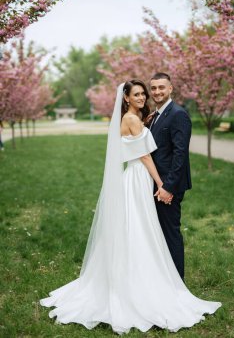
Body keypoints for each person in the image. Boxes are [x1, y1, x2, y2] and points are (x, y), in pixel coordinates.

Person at [40, 80, 221, 334]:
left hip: (137, 177)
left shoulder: (140, 117)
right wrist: (161, 184)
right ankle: (144, 283)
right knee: (139, 228)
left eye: (142, 93)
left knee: (140, 228)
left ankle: (157, 278)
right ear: (125, 97)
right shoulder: (133, 120)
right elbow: (145, 156)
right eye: (136, 94)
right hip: (139, 177)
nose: (142, 96)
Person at [148, 72, 191, 281]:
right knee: (157, 233)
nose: (157, 92)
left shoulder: (178, 114)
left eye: (161, 87)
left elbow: (180, 154)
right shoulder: (155, 116)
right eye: (154, 88)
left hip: (168, 187)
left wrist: (168, 187)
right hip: (155, 184)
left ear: (171, 88)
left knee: (170, 233)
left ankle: (177, 284)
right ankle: (162, 279)